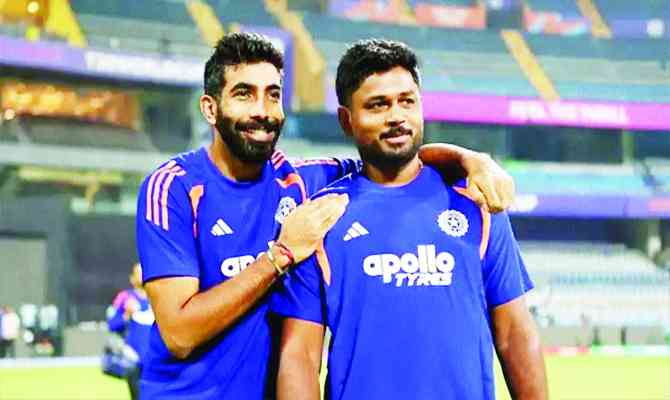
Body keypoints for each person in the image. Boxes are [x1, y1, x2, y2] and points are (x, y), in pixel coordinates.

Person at [136, 32, 515, 399]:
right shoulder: (172, 187)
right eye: (244, 94)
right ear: (210, 108)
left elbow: (398, 155)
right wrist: (280, 256)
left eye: (273, 95)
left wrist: (472, 160)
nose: (262, 111)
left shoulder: (305, 181)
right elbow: (180, 335)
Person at [272, 39, 548, 400]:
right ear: (346, 120)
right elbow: (300, 356)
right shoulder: (321, 218)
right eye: (378, 105)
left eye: (407, 101)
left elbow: (514, 334)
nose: (396, 116)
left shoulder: (476, 200)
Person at [106, 263, 154, 400]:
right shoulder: (125, 297)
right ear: (132, 278)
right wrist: (126, 314)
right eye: (138, 272)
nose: (142, 275)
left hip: (156, 359)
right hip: (134, 359)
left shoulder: (158, 296)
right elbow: (112, 325)